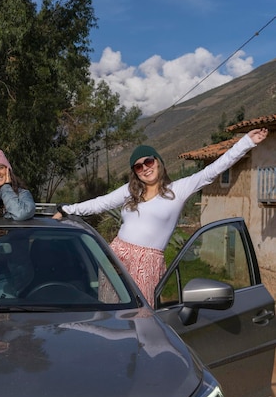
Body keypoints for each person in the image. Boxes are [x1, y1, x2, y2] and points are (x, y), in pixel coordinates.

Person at [53, 128, 269, 306]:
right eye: (139, 167)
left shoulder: (178, 190)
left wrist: (246, 142)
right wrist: (68, 210)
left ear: (158, 162)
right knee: (110, 311)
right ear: (135, 172)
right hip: (116, 255)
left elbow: (213, 170)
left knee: (141, 317)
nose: (145, 169)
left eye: (148, 162)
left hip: (147, 263)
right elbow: (101, 202)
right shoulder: (131, 190)